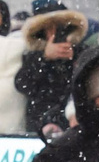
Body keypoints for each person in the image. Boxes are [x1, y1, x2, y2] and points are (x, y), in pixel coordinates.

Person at [13, 8, 88, 138]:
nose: (55, 33)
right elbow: (22, 85)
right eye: (49, 28)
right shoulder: (33, 56)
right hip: (39, 124)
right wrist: (44, 58)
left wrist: (74, 58)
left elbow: (88, 82)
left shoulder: (83, 52)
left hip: (73, 123)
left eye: (60, 28)